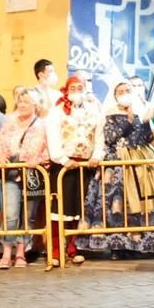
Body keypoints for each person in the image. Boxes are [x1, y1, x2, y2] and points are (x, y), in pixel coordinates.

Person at [81, 80, 154, 259]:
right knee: (118, 202)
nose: (124, 94)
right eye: (120, 91)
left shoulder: (139, 113)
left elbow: (147, 137)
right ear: (115, 96)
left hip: (141, 160)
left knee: (146, 202)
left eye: (127, 90)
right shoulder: (108, 115)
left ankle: (144, 244)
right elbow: (110, 137)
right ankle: (118, 245)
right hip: (118, 162)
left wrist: (146, 125)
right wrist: (128, 120)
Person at [46, 74, 99, 265]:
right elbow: (52, 136)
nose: (77, 92)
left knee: (79, 209)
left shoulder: (93, 110)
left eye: (80, 88)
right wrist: (62, 158)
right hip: (64, 166)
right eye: (73, 88)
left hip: (85, 165)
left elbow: (99, 134)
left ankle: (73, 247)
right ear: (66, 90)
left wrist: (96, 156)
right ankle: (55, 250)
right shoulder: (57, 111)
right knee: (59, 209)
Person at [0, 87, 49, 269]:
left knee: (29, 216)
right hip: (11, 172)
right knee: (10, 215)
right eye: (21, 101)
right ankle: (6, 253)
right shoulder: (10, 122)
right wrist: (0, 154)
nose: (23, 105)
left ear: (35, 104)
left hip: (32, 174)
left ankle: (21, 253)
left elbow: (48, 151)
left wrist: (37, 160)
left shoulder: (41, 125)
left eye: (27, 101)